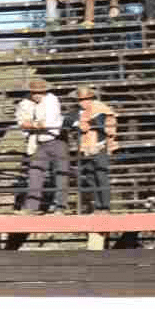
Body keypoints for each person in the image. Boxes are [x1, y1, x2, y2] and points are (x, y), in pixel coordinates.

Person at [18, 78, 68, 214]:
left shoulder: (52, 100)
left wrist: (32, 124)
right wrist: (35, 124)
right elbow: (22, 123)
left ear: (45, 92)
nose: (37, 95)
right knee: (35, 173)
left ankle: (60, 207)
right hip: (39, 141)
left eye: (40, 92)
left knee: (60, 174)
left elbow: (48, 123)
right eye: (34, 92)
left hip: (56, 140)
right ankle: (31, 207)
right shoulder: (25, 103)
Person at [72, 85, 118, 213]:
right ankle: (98, 206)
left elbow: (103, 125)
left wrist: (88, 123)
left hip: (100, 146)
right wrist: (78, 123)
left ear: (91, 99)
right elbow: (67, 120)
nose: (83, 102)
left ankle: (105, 206)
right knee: (91, 177)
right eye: (81, 100)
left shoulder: (100, 109)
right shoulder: (78, 111)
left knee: (101, 176)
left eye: (85, 99)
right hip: (86, 148)